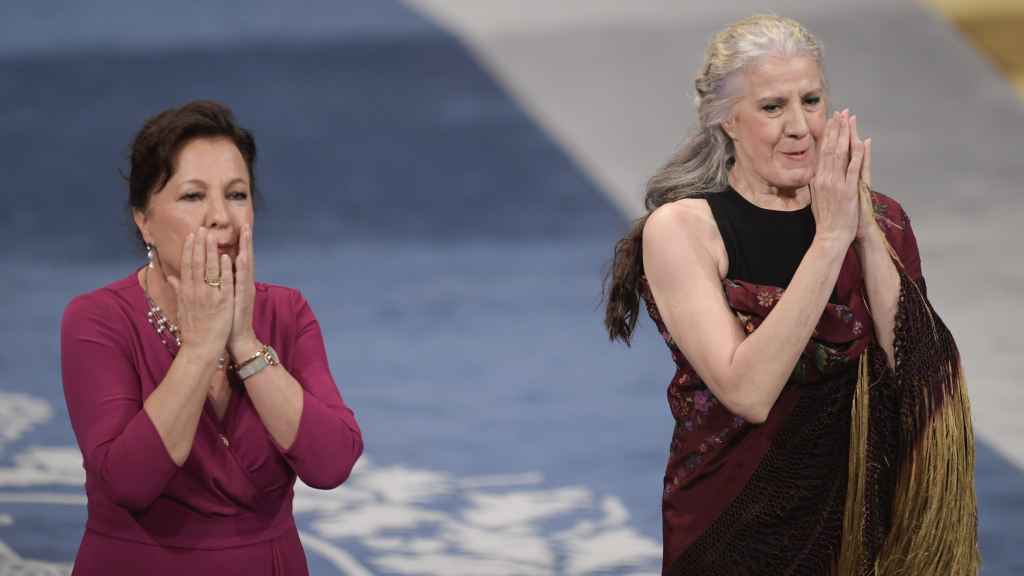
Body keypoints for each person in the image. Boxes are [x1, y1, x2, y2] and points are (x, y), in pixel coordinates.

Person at [603, 15, 978, 575]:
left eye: (812, 100)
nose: (800, 126)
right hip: (736, 525)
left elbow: (924, 381)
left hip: (866, 523)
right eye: (773, 107)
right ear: (727, 120)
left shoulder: (883, 221)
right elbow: (748, 390)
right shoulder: (683, 231)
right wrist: (830, 240)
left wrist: (866, 233)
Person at [61, 100, 363, 575]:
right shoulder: (96, 320)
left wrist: (242, 341)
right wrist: (201, 348)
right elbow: (130, 480)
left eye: (237, 194)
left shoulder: (287, 312)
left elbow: (331, 464)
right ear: (144, 219)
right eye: (193, 197)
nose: (221, 217)